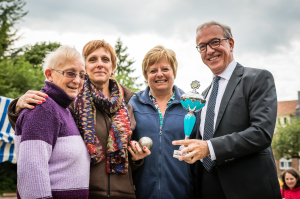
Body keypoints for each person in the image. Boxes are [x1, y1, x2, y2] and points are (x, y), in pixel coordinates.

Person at [8, 40, 150, 199]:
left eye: (105, 59)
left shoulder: (127, 106)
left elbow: (126, 151)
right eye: (92, 59)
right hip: (89, 192)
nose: (99, 64)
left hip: (124, 193)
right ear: (85, 67)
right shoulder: (71, 100)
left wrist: (136, 159)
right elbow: (36, 130)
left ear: (113, 67)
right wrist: (17, 107)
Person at [172, 21, 282, 199]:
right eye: (202, 47)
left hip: (249, 189)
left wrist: (209, 147)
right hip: (207, 189)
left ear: (230, 44)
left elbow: (261, 133)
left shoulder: (257, 78)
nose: (209, 51)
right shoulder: (203, 96)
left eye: (215, 42)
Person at [14, 46, 90, 198]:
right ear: (49, 74)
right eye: (70, 73)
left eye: (82, 75)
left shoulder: (64, 109)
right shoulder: (43, 108)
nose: (77, 80)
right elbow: (31, 173)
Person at [129, 45, 197, 199]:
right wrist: (133, 157)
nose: (159, 74)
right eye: (153, 71)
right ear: (146, 76)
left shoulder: (191, 107)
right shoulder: (131, 104)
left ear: (174, 72)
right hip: (140, 193)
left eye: (165, 69)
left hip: (182, 193)